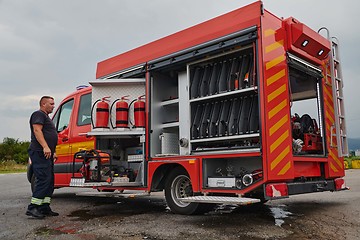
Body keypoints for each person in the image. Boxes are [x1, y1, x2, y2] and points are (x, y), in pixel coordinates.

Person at [26, 96, 59, 219]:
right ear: (43, 104)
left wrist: (52, 151)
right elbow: (37, 130)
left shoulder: (46, 117)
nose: (53, 105)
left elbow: (49, 135)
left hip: (47, 153)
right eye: (51, 103)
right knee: (43, 178)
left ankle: (44, 207)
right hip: (39, 152)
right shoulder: (38, 114)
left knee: (49, 181)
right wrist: (45, 147)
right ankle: (33, 208)